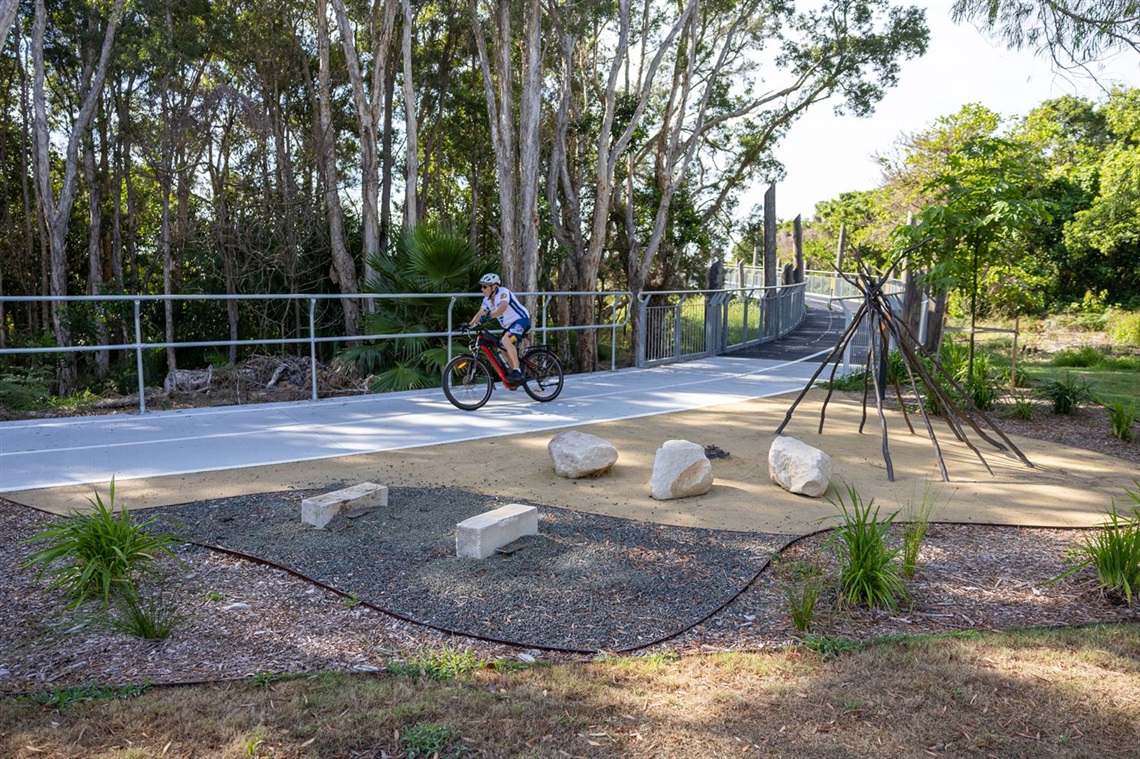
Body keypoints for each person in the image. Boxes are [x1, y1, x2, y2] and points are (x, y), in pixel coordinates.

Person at [467, 273, 531, 382]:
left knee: (506, 341)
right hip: (510, 326)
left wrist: (489, 316)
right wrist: (469, 325)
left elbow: (502, 308)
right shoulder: (486, 300)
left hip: (521, 320)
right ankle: (518, 372)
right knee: (501, 347)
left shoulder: (503, 293)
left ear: (494, 287)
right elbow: (479, 314)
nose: (482, 289)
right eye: (481, 286)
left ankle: (517, 372)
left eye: (485, 286)